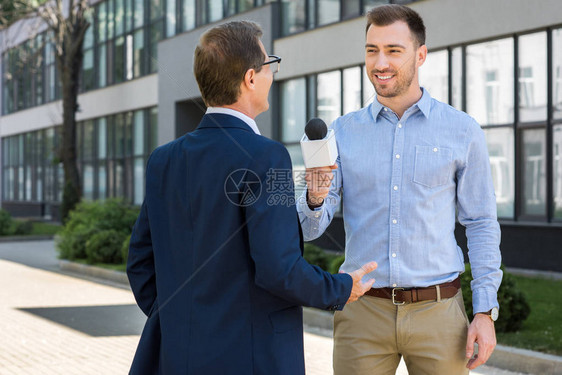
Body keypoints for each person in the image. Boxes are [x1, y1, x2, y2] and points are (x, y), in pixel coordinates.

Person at [126, 20, 377, 375]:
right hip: (252, 358)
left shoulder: (162, 160)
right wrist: (340, 287)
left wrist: (183, 321)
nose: (272, 74)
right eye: (269, 64)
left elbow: (139, 263)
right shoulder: (268, 157)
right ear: (249, 78)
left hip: (177, 355)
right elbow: (279, 269)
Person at [297, 5, 502, 374]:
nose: (380, 62)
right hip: (362, 314)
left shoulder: (462, 130)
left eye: (394, 50)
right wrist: (314, 195)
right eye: (372, 50)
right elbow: (310, 229)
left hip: (439, 314)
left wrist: (485, 311)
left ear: (420, 54)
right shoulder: (341, 132)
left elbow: (482, 222)